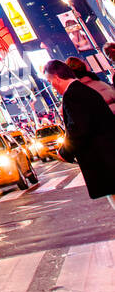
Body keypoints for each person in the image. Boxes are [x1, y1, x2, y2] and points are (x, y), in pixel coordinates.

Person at [45, 58, 115, 210]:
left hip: (104, 158)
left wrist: (65, 151)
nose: (52, 86)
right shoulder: (83, 90)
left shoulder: (72, 95)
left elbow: (77, 128)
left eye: (50, 81)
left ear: (56, 78)